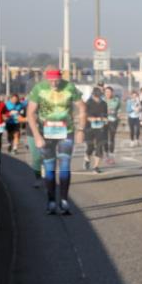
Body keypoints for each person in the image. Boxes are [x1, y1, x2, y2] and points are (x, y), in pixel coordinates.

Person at [26, 68, 86, 215]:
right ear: (46, 79)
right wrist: (37, 136)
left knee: (65, 164)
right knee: (49, 167)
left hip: (67, 131)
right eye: (51, 80)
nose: (54, 83)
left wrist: (80, 130)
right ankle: (51, 201)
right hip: (45, 133)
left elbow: (82, 108)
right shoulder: (38, 89)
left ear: (61, 78)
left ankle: (64, 201)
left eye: (56, 80)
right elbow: (30, 113)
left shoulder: (70, 87)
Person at [84, 86, 108, 174]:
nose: (97, 97)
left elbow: (105, 115)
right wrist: (90, 118)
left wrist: (105, 119)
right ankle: (87, 158)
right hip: (89, 127)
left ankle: (96, 166)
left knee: (99, 146)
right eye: (95, 96)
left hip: (100, 128)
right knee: (90, 146)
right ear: (93, 95)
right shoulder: (88, 103)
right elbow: (85, 115)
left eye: (99, 96)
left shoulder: (104, 104)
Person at [103, 86, 121, 165]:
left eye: (109, 92)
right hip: (104, 121)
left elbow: (119, 110)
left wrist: (119, 115)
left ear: (112, 92)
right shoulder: (102, 100)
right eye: (106, 92)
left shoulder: (116, 100)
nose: (108, 93)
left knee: (112, 138)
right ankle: (106, 154)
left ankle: (111, 155)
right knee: (105, 138)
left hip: (113, 121)